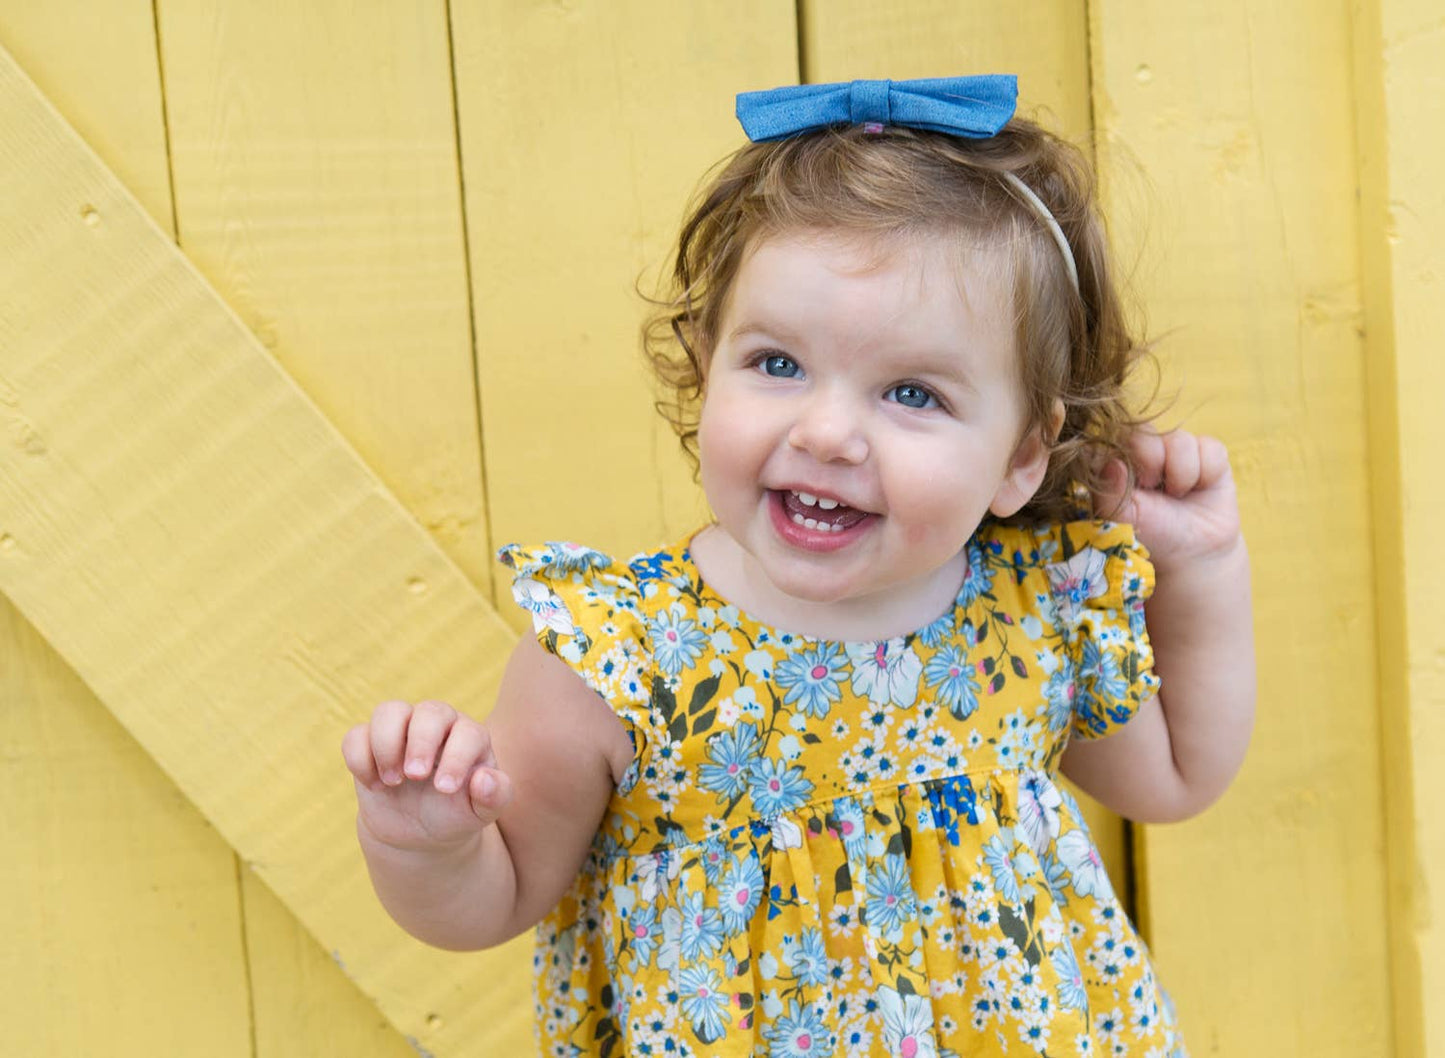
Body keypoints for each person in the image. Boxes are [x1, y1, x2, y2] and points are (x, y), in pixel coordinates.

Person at [342, 75, 1254, 1057]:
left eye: (910, 391)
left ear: (1022, 455)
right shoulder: (616, 656)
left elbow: (1173, 776)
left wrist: (1202, 566)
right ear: (705, 360)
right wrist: (425, 838)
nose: (825, 431)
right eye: (776, 363)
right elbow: (499, 891)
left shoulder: (1027, 615)